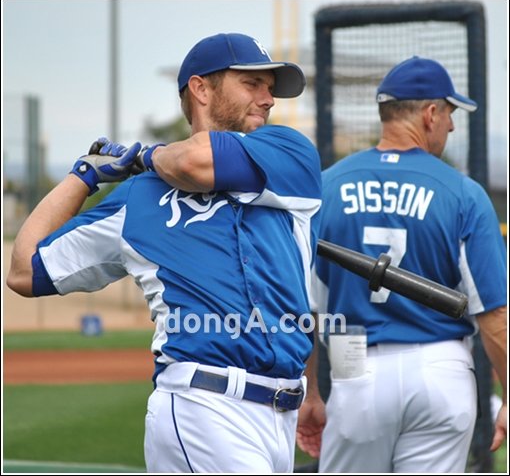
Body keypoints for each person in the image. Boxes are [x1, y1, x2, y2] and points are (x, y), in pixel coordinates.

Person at [7, 33, 322, 473]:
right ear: (201, 89)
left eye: (270, 88)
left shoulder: (290, 153)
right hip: (203, 406)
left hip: (280, 415)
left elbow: (195, 162)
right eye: (253, 83)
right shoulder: (138, 197)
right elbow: (24, 271)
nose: (268, 99)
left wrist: (143, 156)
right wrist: (83, 176)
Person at [296, 56, 507, 473]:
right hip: (441, 371)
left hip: (356, 370)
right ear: (430, 114)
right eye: (448, 113)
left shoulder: (325, 187)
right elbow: (495, 313)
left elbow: (305, 308)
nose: (450, 125)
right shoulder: (463, 193)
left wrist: (311, 395)